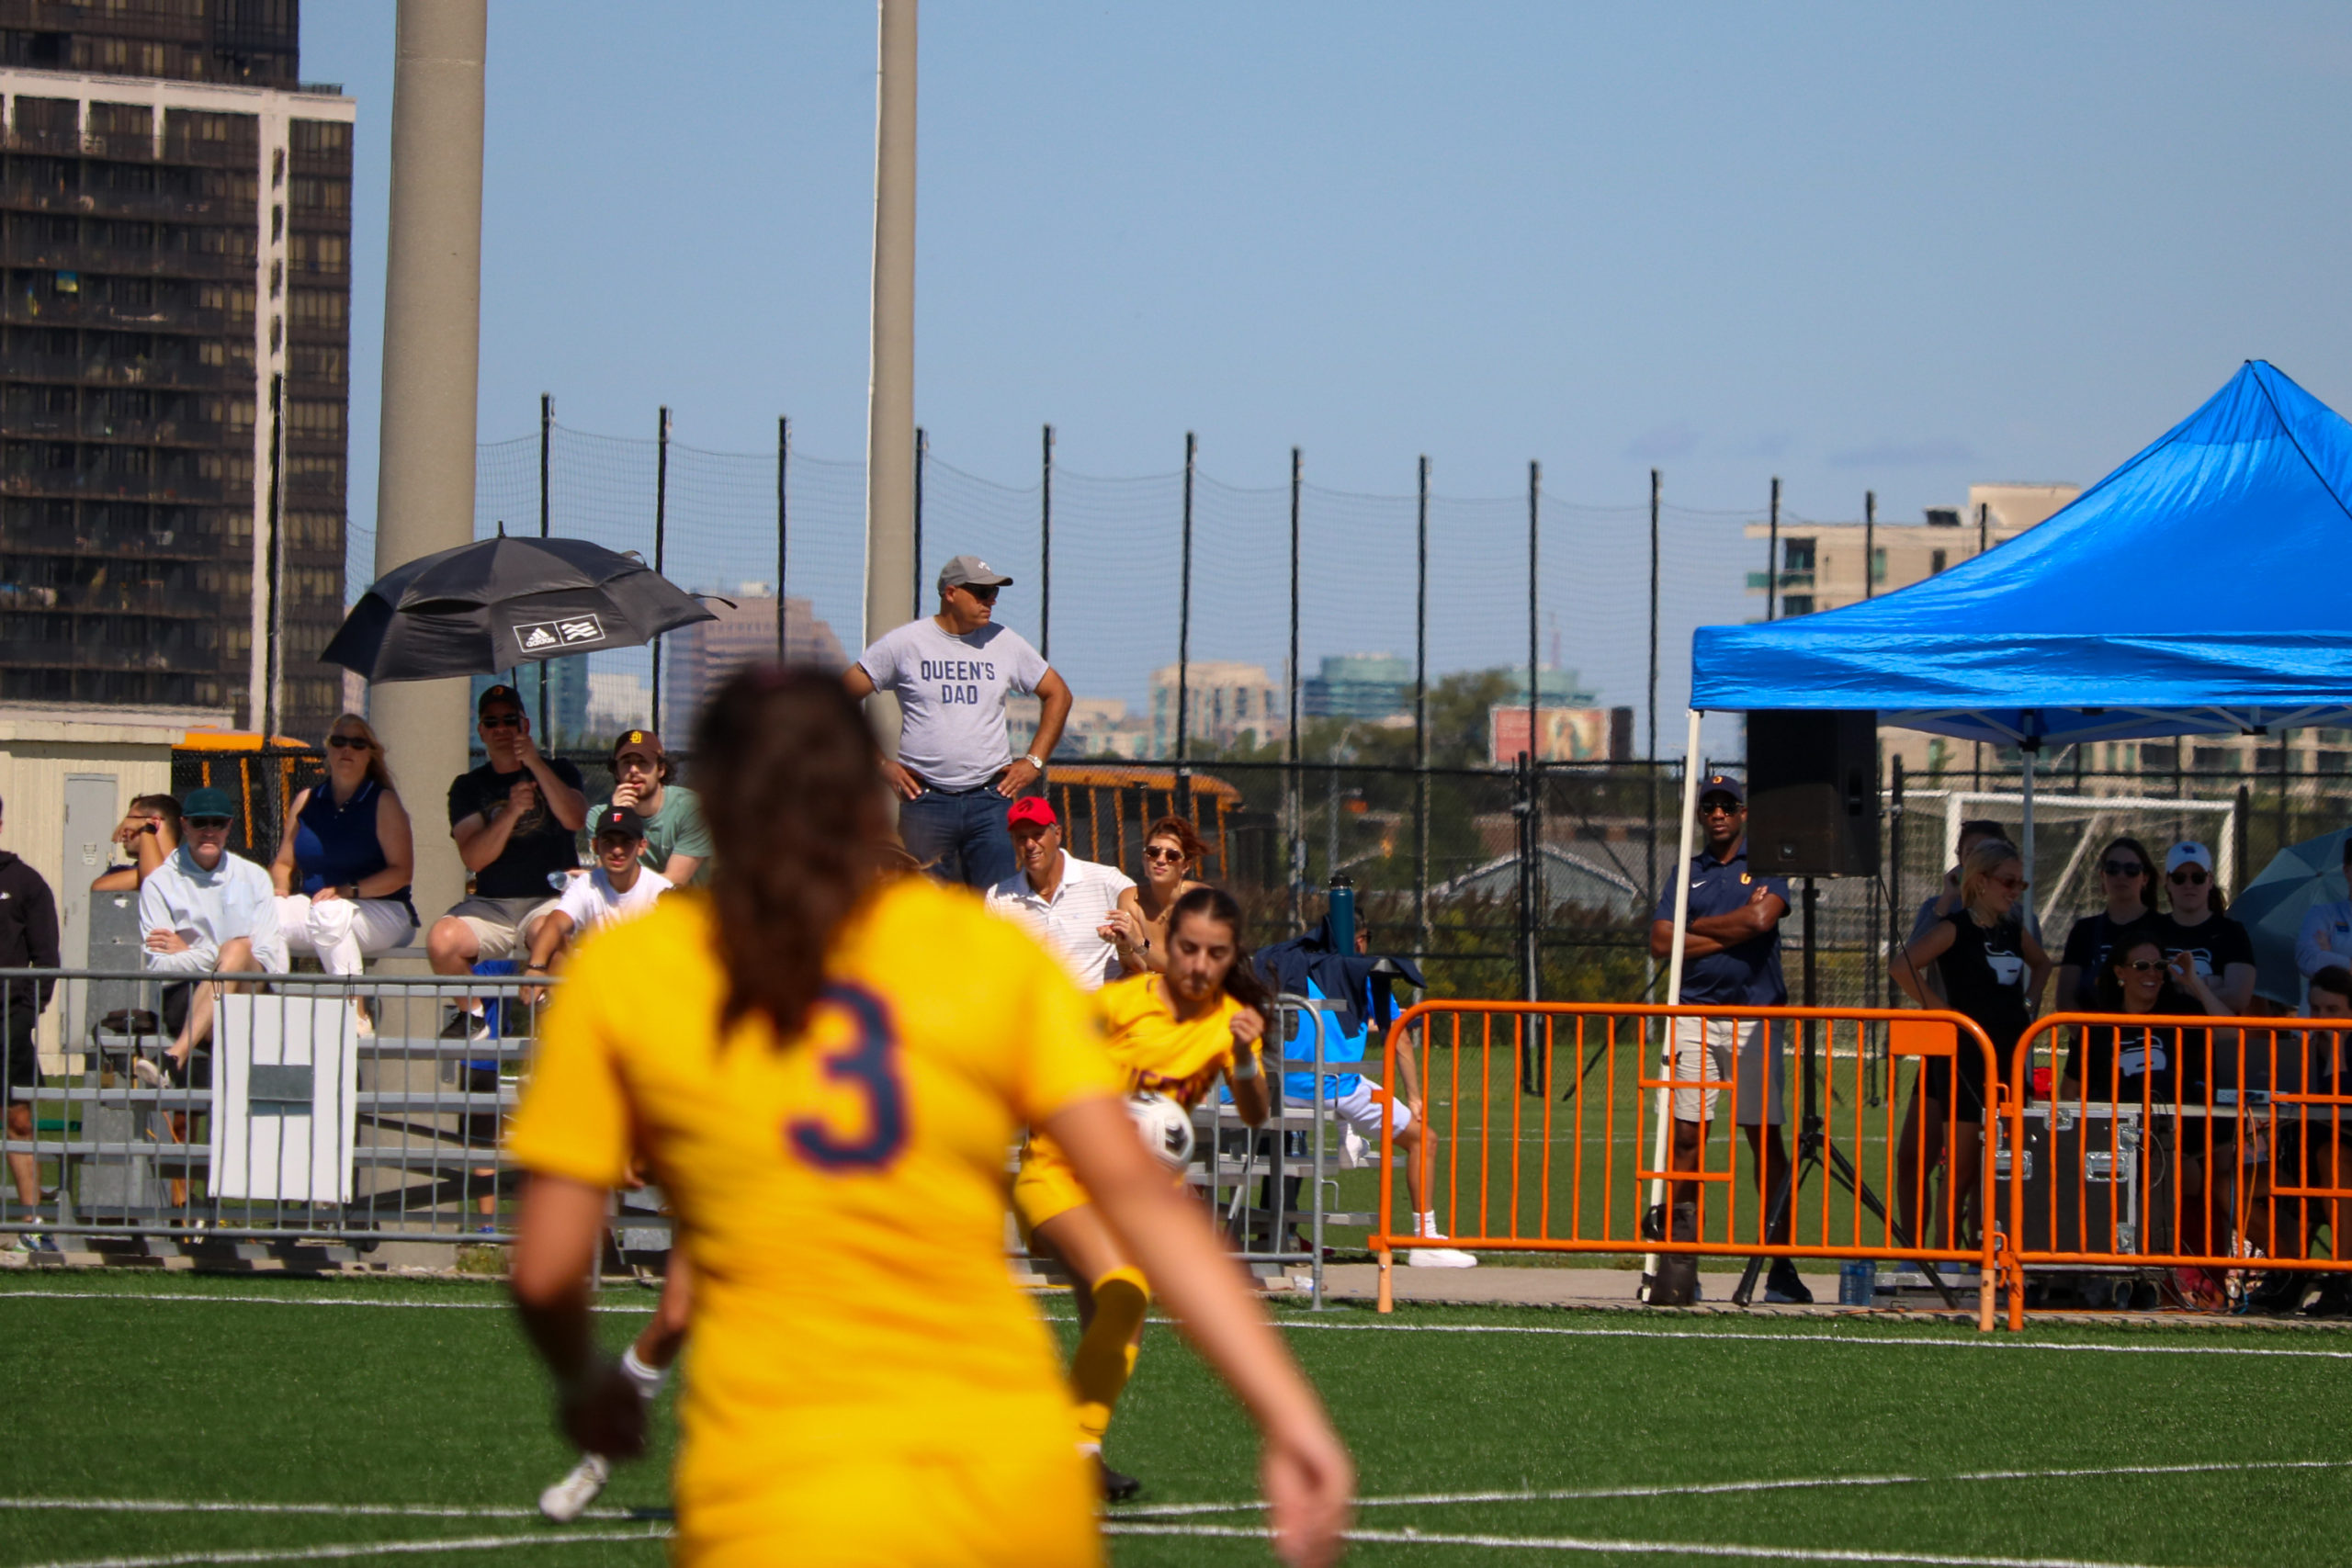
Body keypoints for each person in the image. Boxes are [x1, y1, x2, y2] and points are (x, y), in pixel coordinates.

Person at [505, 667, 1351, 1567]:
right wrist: (1289, 1415)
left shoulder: (633, 971)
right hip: (1006, 1487)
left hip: (781, 1495)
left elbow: (548, 1271)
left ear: (718, 813)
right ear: (869, 808)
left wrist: (584, 1383)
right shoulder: (980, 954)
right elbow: (1142, 1197)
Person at [1014, 884, 1272, 1502]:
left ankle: (1082, 1451)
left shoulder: (1228, 1027)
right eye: (1187, 948)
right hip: (1060, 1173)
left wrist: (1241, 1055)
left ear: (1230, 956)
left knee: (1113, 1318)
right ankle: (1062, 1446)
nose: (1199, 965)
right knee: (1126, 1292)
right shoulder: (1119, 1005)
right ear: (1166, 944)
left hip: (1139, 1197)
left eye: (1215, 953)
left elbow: (1257, 1113)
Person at [1646, 773, 1806, 1304]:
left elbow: (1763, 917)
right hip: (1693, 1014)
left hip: (1755, 1019)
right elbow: (1659, 941)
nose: (1717, 813)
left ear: (1743, 813)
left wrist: (1696, 935)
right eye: (1709, 805)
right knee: (1688, 1137)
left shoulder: (1767, 867)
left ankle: (1781, 1265)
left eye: (1727, 805)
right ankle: (1681, 1266)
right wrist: (1733, 928)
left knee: (1766, 1141)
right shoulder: (1685, 873)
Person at [843, 554, 1075, 888]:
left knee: (997, 906)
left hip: (990, 801)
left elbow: (1059, 694)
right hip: (925, 801)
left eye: (994, 593)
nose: (991, 601)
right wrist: (880, 763)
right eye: (981, 593)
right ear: (950, 593)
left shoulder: (1004, 641)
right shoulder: (906, 643)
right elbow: (840, 697)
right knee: (921, 906)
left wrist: (1034, 761)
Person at [2063, 926, 2233, 1308]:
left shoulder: (2183, 1011)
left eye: (2158, 965)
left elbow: (2232, 1036)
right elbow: (2070, 1091)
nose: (2152, 973)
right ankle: (2122, 1276)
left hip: (2175, 1137)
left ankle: (2178, 1280)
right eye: (2141, 965)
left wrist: (2193, 981)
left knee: (2182, 1171)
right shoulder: (2098, 1022)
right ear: (2120, 972)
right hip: (2111, 1139)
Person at [1893, 839, 2050, 1247]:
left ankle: (1986, 1249)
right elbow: (1902, 967)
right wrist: (1944, 1013)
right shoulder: (1955, 928)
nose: (2015, 891)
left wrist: (2028, 1003)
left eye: (2021, 884)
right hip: (1965, 1056)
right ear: (1980, 882)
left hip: (2009, 1054)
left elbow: (2044, 963)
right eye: (2008, 881)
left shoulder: (2014, 928)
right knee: (1960, 1164)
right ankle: (1945, 1254)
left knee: (1996, 1164)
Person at [425, 684, 587, 1038]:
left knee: (551, 935)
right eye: (492, 721)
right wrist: (512, 810)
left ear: (525, 726)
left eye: (510, 720)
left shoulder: (559, 769)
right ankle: (475, 1014)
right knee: (441, 940)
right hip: (491, 906)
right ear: (481, 730)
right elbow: (474, 857)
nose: (501, 729)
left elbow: (575, 818)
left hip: (547, 899)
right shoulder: (469, 786)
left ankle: (557, 1024)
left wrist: (535, 765)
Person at [133, 785, 288, 1088]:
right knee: (239, 948)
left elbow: (271, 958)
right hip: (186, 996)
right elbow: (159, 966)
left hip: (252, 991)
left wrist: (191, 951)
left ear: (229, 826)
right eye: (199, 822)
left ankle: (173, 1057)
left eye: (217, 823)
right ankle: (178, 1061)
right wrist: (222, 955)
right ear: (184, 825)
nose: (208, 831)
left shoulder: (254, 876)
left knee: (239, 949)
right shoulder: (159, 884)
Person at [268, 715, 417, 983]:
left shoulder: (383, 801)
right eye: (339, 742)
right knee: (268, 914)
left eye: (358, 744)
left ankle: (355, 1013)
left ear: (370, 754)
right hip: (318, 907)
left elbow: (401, 873)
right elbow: (283, 864)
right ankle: (277, 1000)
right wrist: (279, 891)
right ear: (328, 748)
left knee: (331, 913)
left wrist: (348, 891)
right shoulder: (307, 800)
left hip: (384, 910)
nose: (347, 749)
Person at [2240, 966, 2352, 1317]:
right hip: (2298, 1164)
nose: (2321, 1018)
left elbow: (2341, 1104)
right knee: (2229, 1183)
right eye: (2315, 1009)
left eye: (2332, 1011)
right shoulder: (2298, 1050)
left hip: (2339, 1164)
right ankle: (2290, 1271)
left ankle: (2344, 1278)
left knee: (2332, 1156)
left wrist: (2337, 1052)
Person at [518, 807, 673, 999]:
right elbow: (556, 923)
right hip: (597, 991)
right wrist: (536, 967)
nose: (617, 850)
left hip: (646, 993)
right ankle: (553, 1013)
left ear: (642, 846)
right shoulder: (586, 884)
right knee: (543, 931)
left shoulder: (661, 890)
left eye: (626, 842)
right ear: (595, 845)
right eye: (609, 842)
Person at [984, 797, 1134, 992]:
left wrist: (1130, 945)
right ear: (1013, 842)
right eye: (1021, 837)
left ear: (1057, 834)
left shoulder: (1106, 881)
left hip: (1099, 1010)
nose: (1030, 844)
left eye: (1038, 834)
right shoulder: (998, 898)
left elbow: (1149, 938)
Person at [0, 791, 60, 1246]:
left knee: (18, 1118)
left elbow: (47, 957)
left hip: (9, 1018)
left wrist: (27, 1009)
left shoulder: (24, 882)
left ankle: (31, 1223)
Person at [2053, 835, 2160, 1012]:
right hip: (2092, 1035)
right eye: (2112, 868)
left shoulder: (2163, 926)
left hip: (2149, 1037)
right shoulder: (2084, 930)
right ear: (2102, 876)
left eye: (2131, 869)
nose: (2121, 876)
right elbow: (2065, 999)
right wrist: (2090, 1037)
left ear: (2145, 879)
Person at [592, 728, 710, 886]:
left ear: (661, 769)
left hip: (693, 905)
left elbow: (673, 883)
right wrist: (619, 816)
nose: (634, 770)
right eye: (626, 763)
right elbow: (610, 880)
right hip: (631, 907)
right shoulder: (601, 817)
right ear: (616, 772)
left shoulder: (692, 809)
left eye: (642, 763)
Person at [1101, 815, 1210, 978]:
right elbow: (1136, 968)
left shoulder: (1200, 900)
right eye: (1153, 853)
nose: (1160, 860)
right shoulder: (1130, 898)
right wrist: (1123, 943)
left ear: (1185, 866)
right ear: (1144, 860)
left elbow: (1184, 969)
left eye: (1172, 856)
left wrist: (1137, 940)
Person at [2156, 841, 2254, 1015]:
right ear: (2168, 883)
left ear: (2210, 881)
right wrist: (2209, 985)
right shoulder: (2151, 930)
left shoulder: (2231, 933)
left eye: (2197, 877)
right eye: (2179, 878)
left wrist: (2180, 989)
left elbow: (2238, 998)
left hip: (2214, 1039)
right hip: (2162, 1039)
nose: (2189, 884)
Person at [2293, 837, 2352, 1008]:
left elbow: (2320, 962)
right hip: (2315, 1029)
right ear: (2347, 870)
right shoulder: (2322, 914)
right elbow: (2308, 959)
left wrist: (2331, 958)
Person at [91, 794, 181, 894]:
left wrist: (147, 829)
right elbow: (99, 887)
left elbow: (155, 880)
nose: (124, 832)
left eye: (130, 823)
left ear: (154, 823)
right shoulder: (121, 871)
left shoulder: (191, 867)